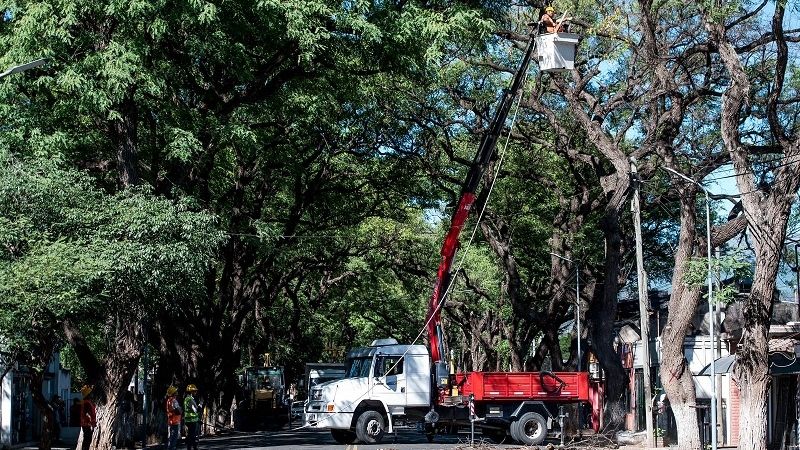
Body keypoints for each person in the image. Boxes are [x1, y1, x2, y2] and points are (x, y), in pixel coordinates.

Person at [165, 385, 183, 450]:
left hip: (170, 420)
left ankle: (169, 447)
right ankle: (172, 448)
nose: (176, 393)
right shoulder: (174, 401)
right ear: (173, 393)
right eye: (175, 392)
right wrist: (180, 409)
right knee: (174, 436)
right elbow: (178, 410)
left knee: (170, 436)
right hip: (175, 421)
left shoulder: (168, 400)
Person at [79, 385, 96, 450]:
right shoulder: (87, 402)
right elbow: (88, 413)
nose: (91, 394)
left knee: (87, 438)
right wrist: (91, 423)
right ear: (87, 394)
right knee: (87, 439)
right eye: (90, 393)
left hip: (86, 423)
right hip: (87, 423)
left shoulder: (85, 402)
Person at [183, 384, 200, 450]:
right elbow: (195, 410)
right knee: (191, 435)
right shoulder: (190, 400)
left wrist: (198, 419)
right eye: (194, 391)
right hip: (191, 421)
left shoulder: (187, 399)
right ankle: (193, 447)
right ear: (191, 392)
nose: (196, 392)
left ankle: (191, 447)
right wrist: (199, 407)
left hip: (189, 420)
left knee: (191, 435)